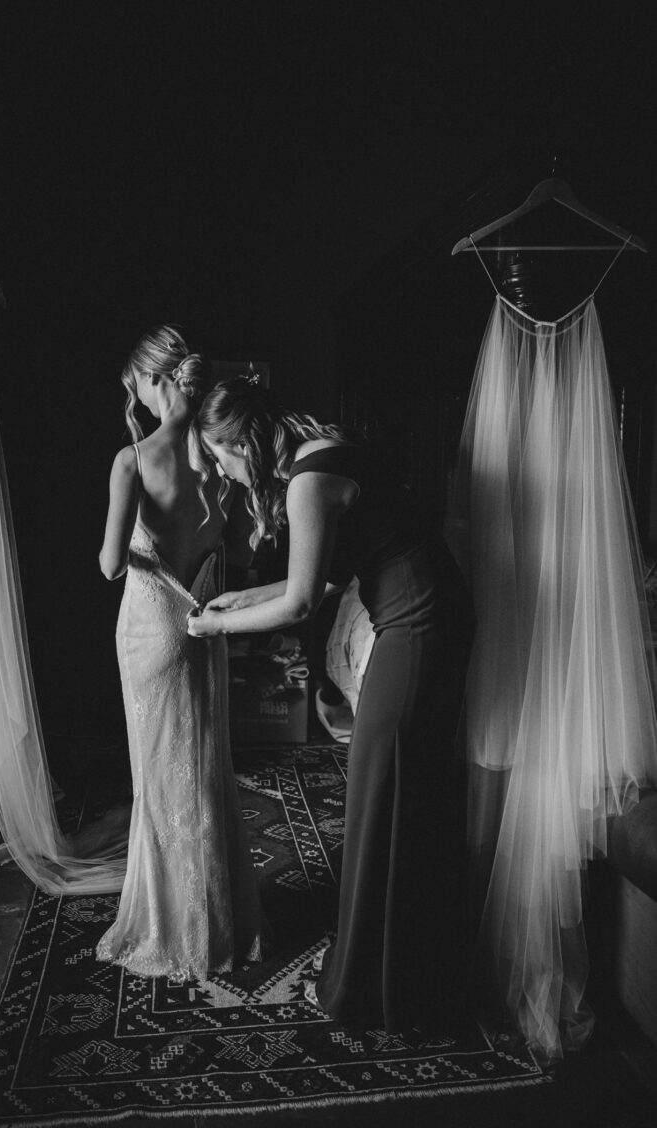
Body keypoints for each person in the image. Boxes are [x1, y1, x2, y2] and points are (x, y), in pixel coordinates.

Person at [188, 374, 473, 1031]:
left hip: (418, 623)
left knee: (383, 787)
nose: (223, 475)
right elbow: (324, 576)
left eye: (220, 458)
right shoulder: (317, 458)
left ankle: (377, 983)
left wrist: (214, 627)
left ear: (243, 444)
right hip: (413, 616)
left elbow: (302, 601)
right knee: (402, 789)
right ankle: (411, 967)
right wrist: (238, 601)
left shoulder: (309, 479)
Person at [97, 327, 261, 981]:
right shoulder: (220, 458)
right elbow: (240, 553)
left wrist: (142, 548)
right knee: (204, 769)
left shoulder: (134, 460)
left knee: (160, 780)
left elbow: (110, 565)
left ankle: (173, 929)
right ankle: (219, 925)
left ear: (155, 378)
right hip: (201, 625)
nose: (131, 394)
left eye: (134, 382)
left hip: (148, 626)